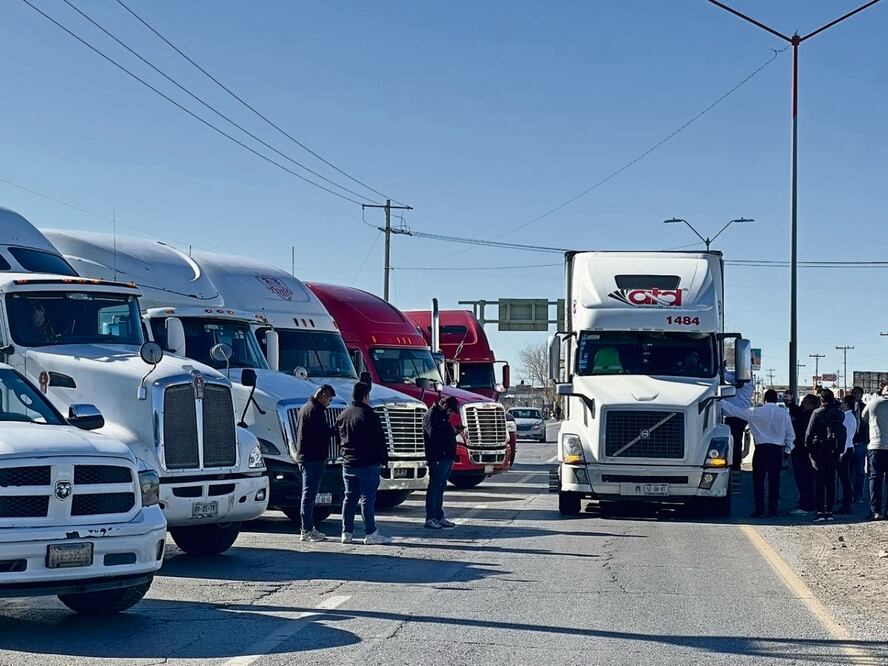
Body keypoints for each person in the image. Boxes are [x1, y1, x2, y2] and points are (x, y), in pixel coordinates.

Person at [721, 388, 794, 518]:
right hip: (777, 450)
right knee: (774, 482)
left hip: (761, 449)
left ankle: (760, 510)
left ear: (764, 399)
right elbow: (790, 435)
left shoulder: (755, 412)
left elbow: (735, 411)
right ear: (777, 399)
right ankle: (773, 510)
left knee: (758, 482)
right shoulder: (784, 414)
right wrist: (787, 451)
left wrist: (721, 401)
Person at [337, 381, 391, 544]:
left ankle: (346, 532)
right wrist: (384, 460)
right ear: (366, 396)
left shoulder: (343, 415)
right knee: (367, 498)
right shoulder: (370, 416)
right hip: (368, 463)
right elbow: (379, 440)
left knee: (349, 498)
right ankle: (370, 532)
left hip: (348, 463)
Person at [294, 384, 336, 542]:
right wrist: (336, 429)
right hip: (313, 458)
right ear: (323, 395)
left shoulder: (304, 408)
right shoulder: (315, 411)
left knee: (309, 494)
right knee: (309, 495)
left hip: (306, 457)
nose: (329, 403)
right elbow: (321, 434)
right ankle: (307, 529)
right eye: (329, 400)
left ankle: (308, 528)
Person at [805, 389, 847, 522]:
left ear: (821, 399)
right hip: (834, 451)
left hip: (819, 452)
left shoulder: (817, 413)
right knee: (831, 482)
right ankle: (829, 511)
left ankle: (820, 511)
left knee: (819, 482)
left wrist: (809, 450)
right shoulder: (840, 414)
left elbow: (809, 433)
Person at [423, 396, 461, 529]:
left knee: (441, 486)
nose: (450, 414)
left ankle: (439, 515)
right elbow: (434, 435)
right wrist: (451, 432)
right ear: (445, 406)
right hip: (438, 457)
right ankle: (431, 517)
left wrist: (453, 432)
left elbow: (444, 433)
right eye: (450, 411)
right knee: (434, 486)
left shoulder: (442, 416)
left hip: (446, 457)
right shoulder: (432, 416)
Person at [789, 394, 819, 515]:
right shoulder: (816, 415)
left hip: (802, 452)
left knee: (803, 479)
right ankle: (811, 502)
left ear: (807, 403)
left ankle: (807, 505)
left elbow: (798, 435)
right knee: (812, 479)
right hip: (814, 452)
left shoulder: (804, 417)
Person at [861, 385, 888, 520]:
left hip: (876, 446)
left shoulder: (873, 403)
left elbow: (864, 417)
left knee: (875, 479)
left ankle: (875, 511)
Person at [836, 395, 858, 514]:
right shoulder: (850, 416)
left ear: (847, 404)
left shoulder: (847, 418)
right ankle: (846, 502)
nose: (841, 404)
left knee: (845, 479)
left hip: (846, 449)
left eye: (843, 402)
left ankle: (846, 504)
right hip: (849, 448)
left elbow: (846, 436)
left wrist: (841, 453)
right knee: (845, 478)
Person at [850, 386, 869, 504]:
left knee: (859, 471)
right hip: (849, 443)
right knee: (849, 470)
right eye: (852, 393)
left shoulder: (865, 408)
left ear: (861, 395)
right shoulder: (848, 408)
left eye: (856, 393)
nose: (854, 395)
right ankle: (849, 493)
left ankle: (858, 494)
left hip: (861, 442)